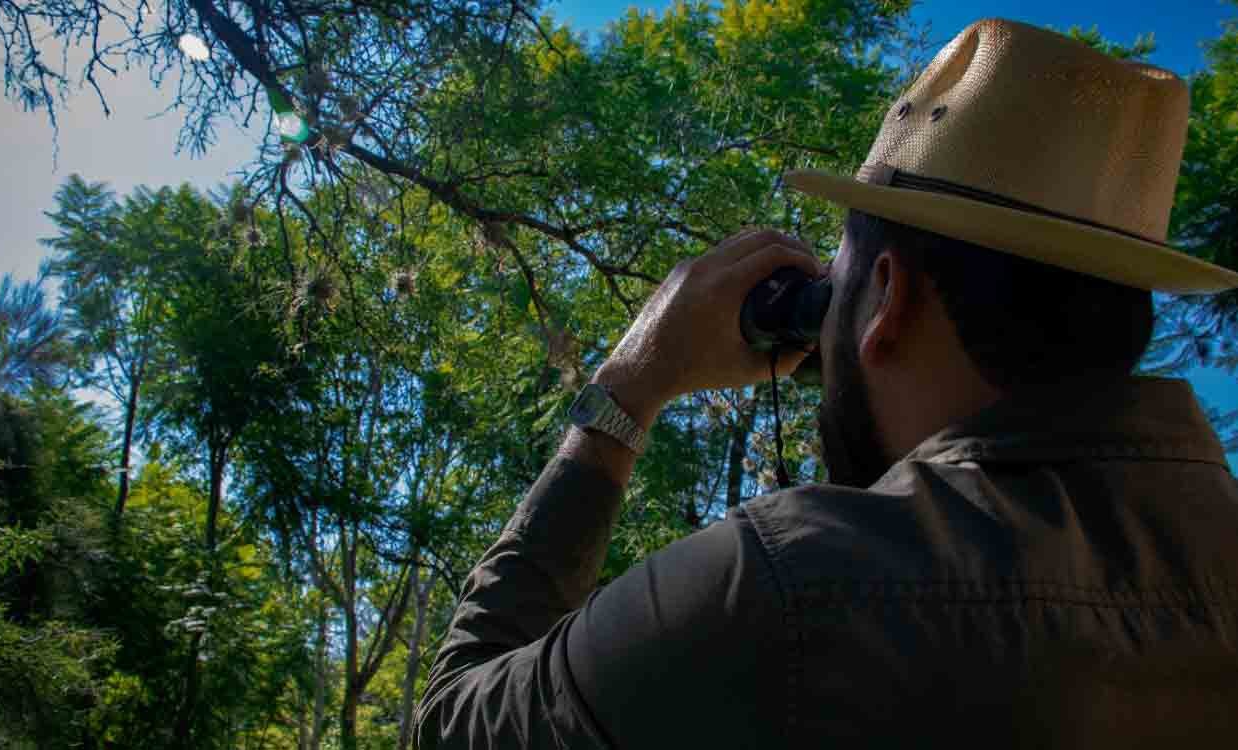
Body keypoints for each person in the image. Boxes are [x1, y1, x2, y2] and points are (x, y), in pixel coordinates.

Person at [415, 18, 1238, 748]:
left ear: (884, 296)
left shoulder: (789, 590)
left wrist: (628, 388)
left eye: (835, 288)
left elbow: (455, 724)